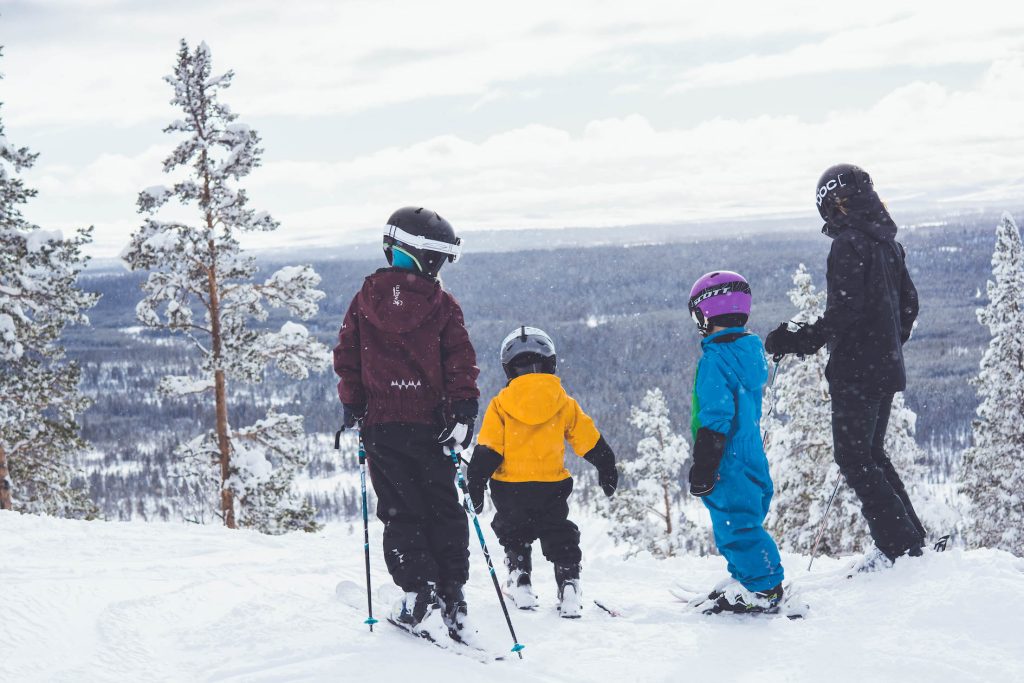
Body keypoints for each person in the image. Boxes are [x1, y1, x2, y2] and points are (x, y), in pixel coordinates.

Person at [764, 164, 926, 571]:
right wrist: (889, 343)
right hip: (885, 367)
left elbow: (845, 310)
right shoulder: (888, 244)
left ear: (835, 205)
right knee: (870, 453)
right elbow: (909, 305)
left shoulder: (849, 244)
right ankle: (910, 542)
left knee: (854, 458)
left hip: (857, 370)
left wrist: (802, 339)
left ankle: (901, 548)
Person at [333, 206, 480, 642]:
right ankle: (451, 594)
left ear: (395, 247)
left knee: (401, 510)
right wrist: (463, 412)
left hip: (382, 427)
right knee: (442, 505)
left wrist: (354, 405)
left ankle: (420, 594)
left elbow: (347, 358)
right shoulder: (444, 305)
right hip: (432, 428)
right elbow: (460, 363)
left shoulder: (365, 299)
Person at [466, 326, 618, 618]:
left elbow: (489, 449)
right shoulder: (563, 402)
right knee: (557, 532)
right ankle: (569, 585)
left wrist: (476, 481)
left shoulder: (501, 405)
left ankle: (520, 580)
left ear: (509, 369)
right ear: (550, 363)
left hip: (509, 487)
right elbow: (587, 438)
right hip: (551, 485)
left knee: (514, 532)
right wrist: (605, 464)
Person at [687, 271, 786, 614]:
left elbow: (715, 418)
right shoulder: (749, 351)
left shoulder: (715, 361)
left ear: (705, 316)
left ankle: (765, 587)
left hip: (726, 454)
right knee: (746, 516)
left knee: (735, 524)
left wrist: (704, 464)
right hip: (750, 451)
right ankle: (748, 577)